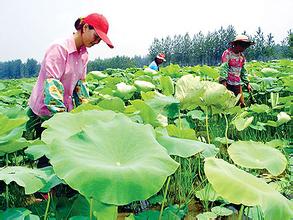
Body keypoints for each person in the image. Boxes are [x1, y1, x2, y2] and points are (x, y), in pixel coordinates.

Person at [25, 13, 114, 140]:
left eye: (99, 40)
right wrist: (65, 122)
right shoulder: (59, 48)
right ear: (85, 28)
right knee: (45, 156)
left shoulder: (84, 55)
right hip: (43, 113)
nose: (96, 42)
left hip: (64, 112)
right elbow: (52, 88)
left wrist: (86, 115)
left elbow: (80, 87)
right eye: (96, 36)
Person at [219, 35, 254, 107]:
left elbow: (243, 71)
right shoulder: (227, 53)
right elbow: (224, 68)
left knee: (241, 104)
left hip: (237, 83)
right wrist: (224, 83)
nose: (244, 48)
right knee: (227, 103)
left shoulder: (242, 56)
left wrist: (247, 83)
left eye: (245, 46)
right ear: (236, 44)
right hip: (227, 83)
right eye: (242, 45)